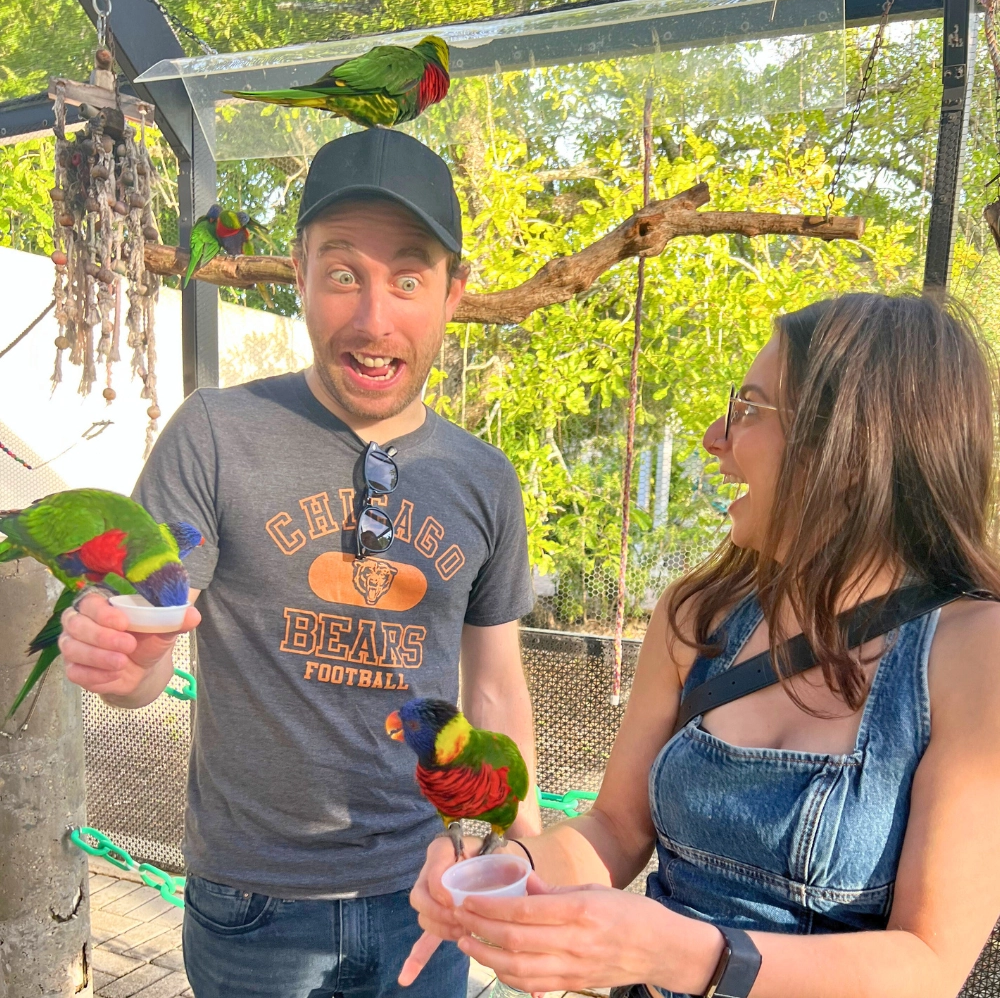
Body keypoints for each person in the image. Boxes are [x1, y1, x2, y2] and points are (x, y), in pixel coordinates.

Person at [57, 128, 541, 998]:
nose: (373, 318)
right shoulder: (213, 434)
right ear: (300, 276)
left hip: (426, 894)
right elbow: (147, 648)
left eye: (410, 276)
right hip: (253, 907)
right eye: (343, 271)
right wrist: (120, 663)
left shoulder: (483, 479)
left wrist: (515, 846)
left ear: (454, 294)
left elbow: (497, 683)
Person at [405, 293, 1000, 998]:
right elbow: (615, 828)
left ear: (847, 447)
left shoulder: (973, 650)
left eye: (749, 408)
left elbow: (928, 969)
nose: (715, 436)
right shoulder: (699, 613)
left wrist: (685, 954)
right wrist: (494, 865)